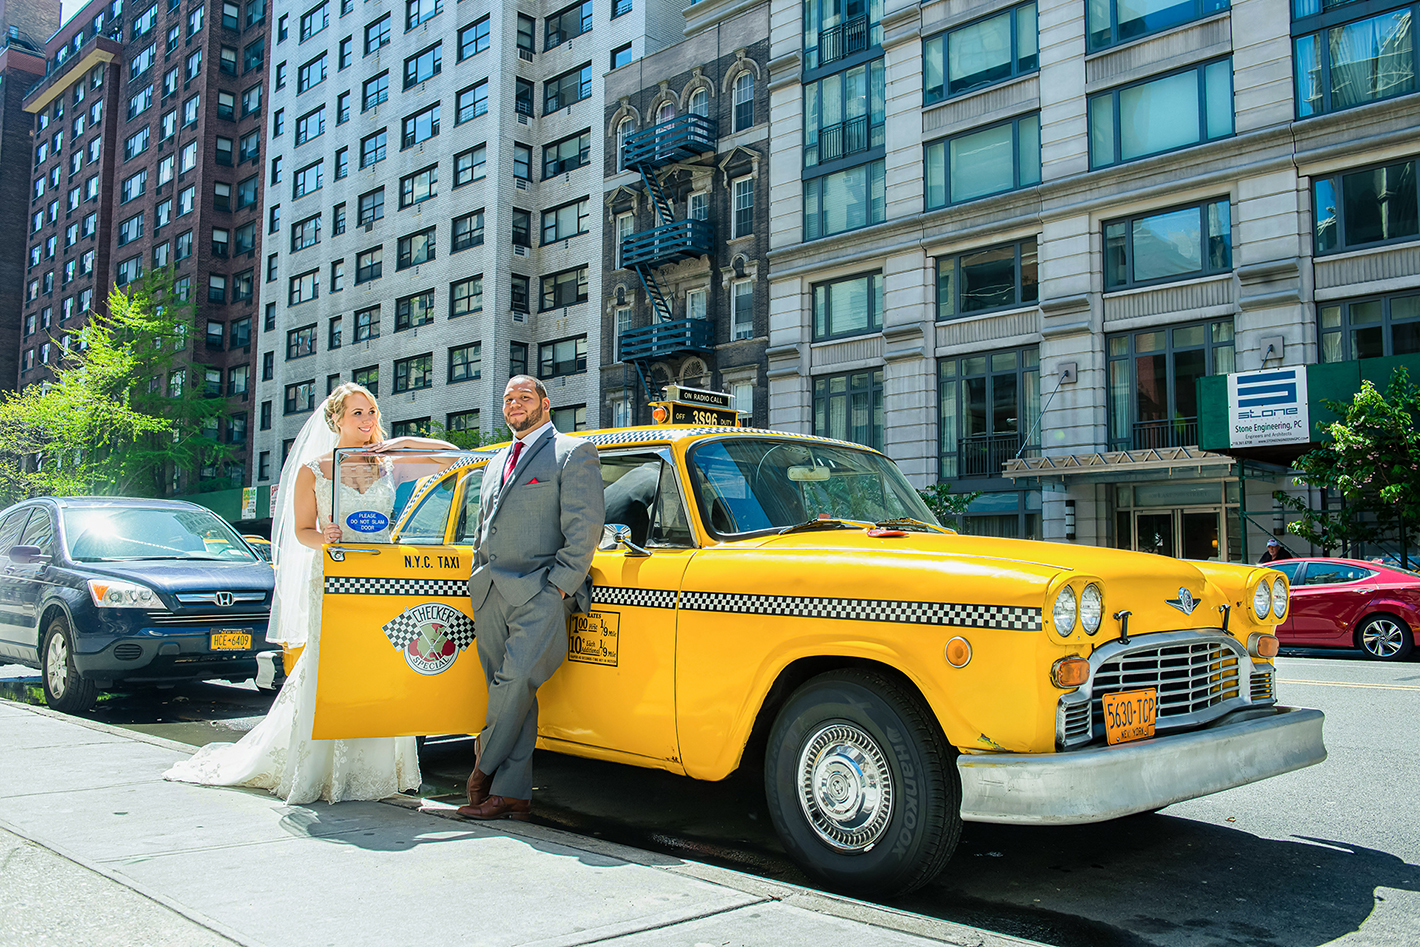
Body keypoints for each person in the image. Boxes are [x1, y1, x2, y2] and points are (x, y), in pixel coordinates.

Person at [165, 383, 455, 804]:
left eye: (371, 410)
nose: (367, 419)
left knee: (377, 667)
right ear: (335, 419)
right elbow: (301, 532)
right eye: (356, 413)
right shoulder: (315, 470)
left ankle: (375, 772)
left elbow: (450, 456)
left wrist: (401, 442)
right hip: (334, 577)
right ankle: (321, 769)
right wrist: (327, 537)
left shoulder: (391, 463)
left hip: (384, 579)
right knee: (333, 665)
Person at [457, 376, 604, 820]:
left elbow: (585, 527)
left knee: (515, 682)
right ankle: (513, 794)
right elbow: (484, 528)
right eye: (508, 399)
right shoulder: (495, 459)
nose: (514, 405)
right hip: (490, 592)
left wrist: (558, 587)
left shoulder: (572, 452)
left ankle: (482, 769)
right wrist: (477, 576)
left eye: (524, 397)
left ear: (544, 403)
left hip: (540, 592)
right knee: (511, 696)